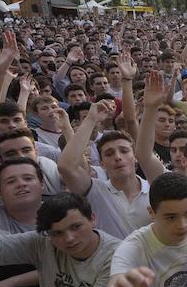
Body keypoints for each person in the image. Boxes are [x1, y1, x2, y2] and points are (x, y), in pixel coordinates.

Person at [59, 99, 151, 239]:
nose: (118, 157)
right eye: (109, 154)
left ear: (135, 157)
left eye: (124, 151)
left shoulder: (154, 189)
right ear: (102, 163)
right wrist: (91, 119)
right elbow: (66, 167)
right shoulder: (96, 191)